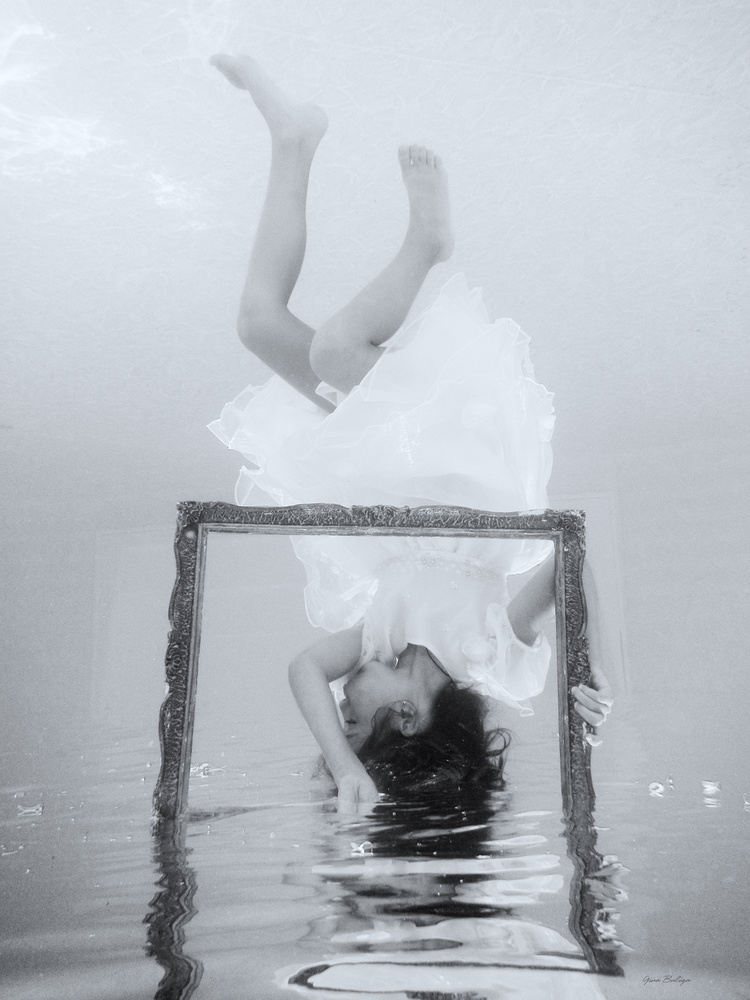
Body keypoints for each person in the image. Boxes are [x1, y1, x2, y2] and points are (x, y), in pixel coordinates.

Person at [207, 54, 613, 812]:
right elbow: (572, 560)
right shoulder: (490, 655)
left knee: (259, 324)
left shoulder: (376, 639)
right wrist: (595, 673)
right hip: (459, 459)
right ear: (405, 716)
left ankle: (294, 138)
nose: (341, 697)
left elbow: (301, 669)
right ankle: (427, 243)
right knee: (335, 351)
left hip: (390, 461)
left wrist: (347, 767)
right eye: (352, 717)